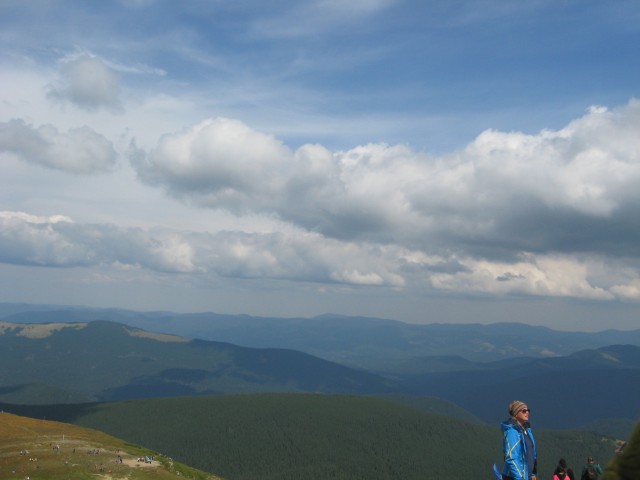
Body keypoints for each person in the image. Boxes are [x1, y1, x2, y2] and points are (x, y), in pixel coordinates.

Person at [501, 400, 538, 480]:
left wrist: (532, 473)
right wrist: (520, 478)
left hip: (527, 476)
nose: (527, 413)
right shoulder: (512, 432)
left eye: (528, 410)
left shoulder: (527, 430)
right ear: (516, 413)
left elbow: (531, 453)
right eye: (524, 411)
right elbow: (511, 457)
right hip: (514, 477)